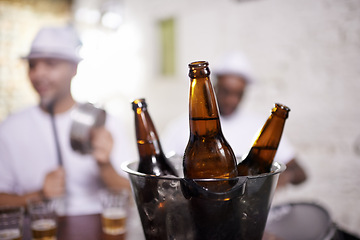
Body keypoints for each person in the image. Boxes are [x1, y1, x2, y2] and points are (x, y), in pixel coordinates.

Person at [0, 26, 134, 215]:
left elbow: (133, 196)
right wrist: (39, 195)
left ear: (74, 68)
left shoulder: (104, 123)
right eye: (32, 65)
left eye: (50, 63)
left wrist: (105, 166)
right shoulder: (9, 128)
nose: (38, 74)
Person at [162, 52, 306, 187]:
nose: (231, 100)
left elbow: (300, 173)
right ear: (214, 87)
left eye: (239, 94)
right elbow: (160, 173)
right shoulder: (180, 127)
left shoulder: (260, 126)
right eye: (226, 91)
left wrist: (268, 183)